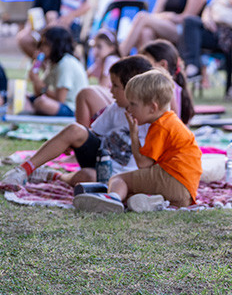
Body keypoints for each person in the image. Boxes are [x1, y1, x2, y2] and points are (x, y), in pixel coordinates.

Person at [0, 56, 154, 188]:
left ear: (132, 88)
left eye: (115, 86)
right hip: (99, 160)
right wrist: (70, 142)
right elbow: (92, 133)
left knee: (89, 177)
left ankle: (55, 176)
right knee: (75, 129)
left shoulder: (153, 119)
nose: (110, 90)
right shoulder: (116, 108)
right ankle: (24, 170)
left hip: (118, 178)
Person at [73, 70, 203, 213]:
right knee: (130, 190)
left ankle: (111, 200)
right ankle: (154, 203)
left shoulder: (160, 126)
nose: (128, 109)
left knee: (118, 180)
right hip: (185, 192)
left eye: (133, 104)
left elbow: (143, 164)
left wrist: (134, 134)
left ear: (153, 107)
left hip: (173, 177)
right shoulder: (170, 122)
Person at [27, 26, 88, 117]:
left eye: (45, 44)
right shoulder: (53, 64)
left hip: (72, 108)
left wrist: (38, 82)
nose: (41, 48)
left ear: (56, 45)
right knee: (25, 96)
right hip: (59, 104)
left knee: (42, 103)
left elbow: (60, 99)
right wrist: (35, 71)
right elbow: (38, 93)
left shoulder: (66, 63)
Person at [140, 40, 195, 125]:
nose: (142, 69)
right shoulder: (170, 86)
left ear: (162, 65)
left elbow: (173, 122)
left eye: (147, 64)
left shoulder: (167, 88)